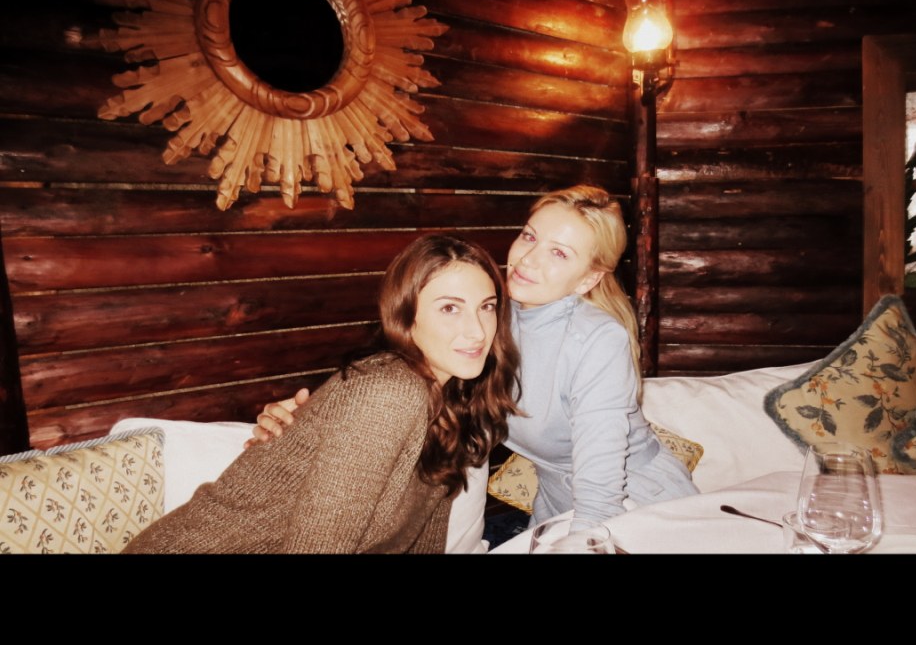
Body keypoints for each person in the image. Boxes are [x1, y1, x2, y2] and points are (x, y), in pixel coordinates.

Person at [251, 185, 699, 529]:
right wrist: (309, 419)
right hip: (554, 505)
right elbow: (410, 376)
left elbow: (601, 475)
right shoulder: (489, 315)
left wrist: (587, 538)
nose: (528, 259)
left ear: (588, 279)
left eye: (559, 253)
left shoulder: (598, 338)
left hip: (633, 502)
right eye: (529, 236)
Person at [122, 234, 520, 554]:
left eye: (486, 307)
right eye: (450, 308)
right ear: (405, 316)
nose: (477, 331)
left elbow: (421, 542)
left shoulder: (454, 403)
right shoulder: (388, 393)